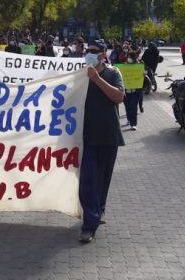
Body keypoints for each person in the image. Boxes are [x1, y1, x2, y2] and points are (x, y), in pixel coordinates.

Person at [79, 40, 125, 244]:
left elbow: (118, 97)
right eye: (88, 50)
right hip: (86, 137)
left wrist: (97, 79)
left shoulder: (113, 73)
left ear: (103, 54)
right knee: (87, 181)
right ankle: (89, 225)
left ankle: (97, 211)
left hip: (108, 135)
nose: (89, 53)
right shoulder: (80, 74)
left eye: (94, 51)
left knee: (102, 181)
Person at [122, 51, 143, 131]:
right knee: (127, 106)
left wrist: (144, 74)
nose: (129, 59)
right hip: (126, 91)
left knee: (133, 107)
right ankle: (129, 119)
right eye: (128, 57)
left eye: (131, 57)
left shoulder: (138, 66)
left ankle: (133, 124)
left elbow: (142, 78)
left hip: (135, 91)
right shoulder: (124, 66)